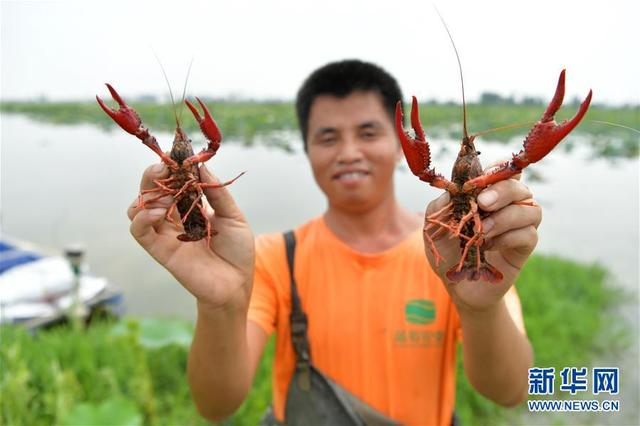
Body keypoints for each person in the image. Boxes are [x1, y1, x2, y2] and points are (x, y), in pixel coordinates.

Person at [127, 59, 538, 425]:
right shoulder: (271, 258)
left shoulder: (459, 253)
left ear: (402, 144)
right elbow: (216, 406)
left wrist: (480, 310)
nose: (348, 152)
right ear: (305, 148)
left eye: (368, 132)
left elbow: (511, 391)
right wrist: (220, 305)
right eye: (327, 137)